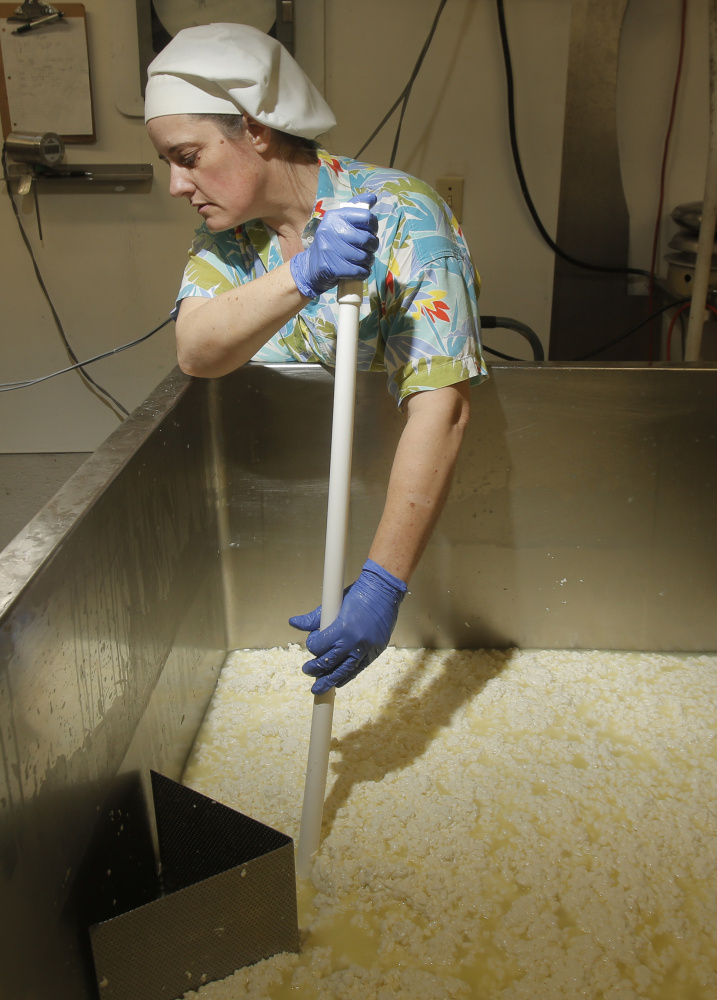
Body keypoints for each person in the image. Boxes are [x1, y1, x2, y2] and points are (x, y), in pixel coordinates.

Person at [144, 22, 488, 695]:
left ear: (257, 129)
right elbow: (197, 350)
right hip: (280, 509)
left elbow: (441, 406)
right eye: (168, 162)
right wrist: (304, 275)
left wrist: (383, 582)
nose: (176, 185)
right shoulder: (229, 239)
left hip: (400, 519)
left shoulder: (403, 215)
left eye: (187, 155)